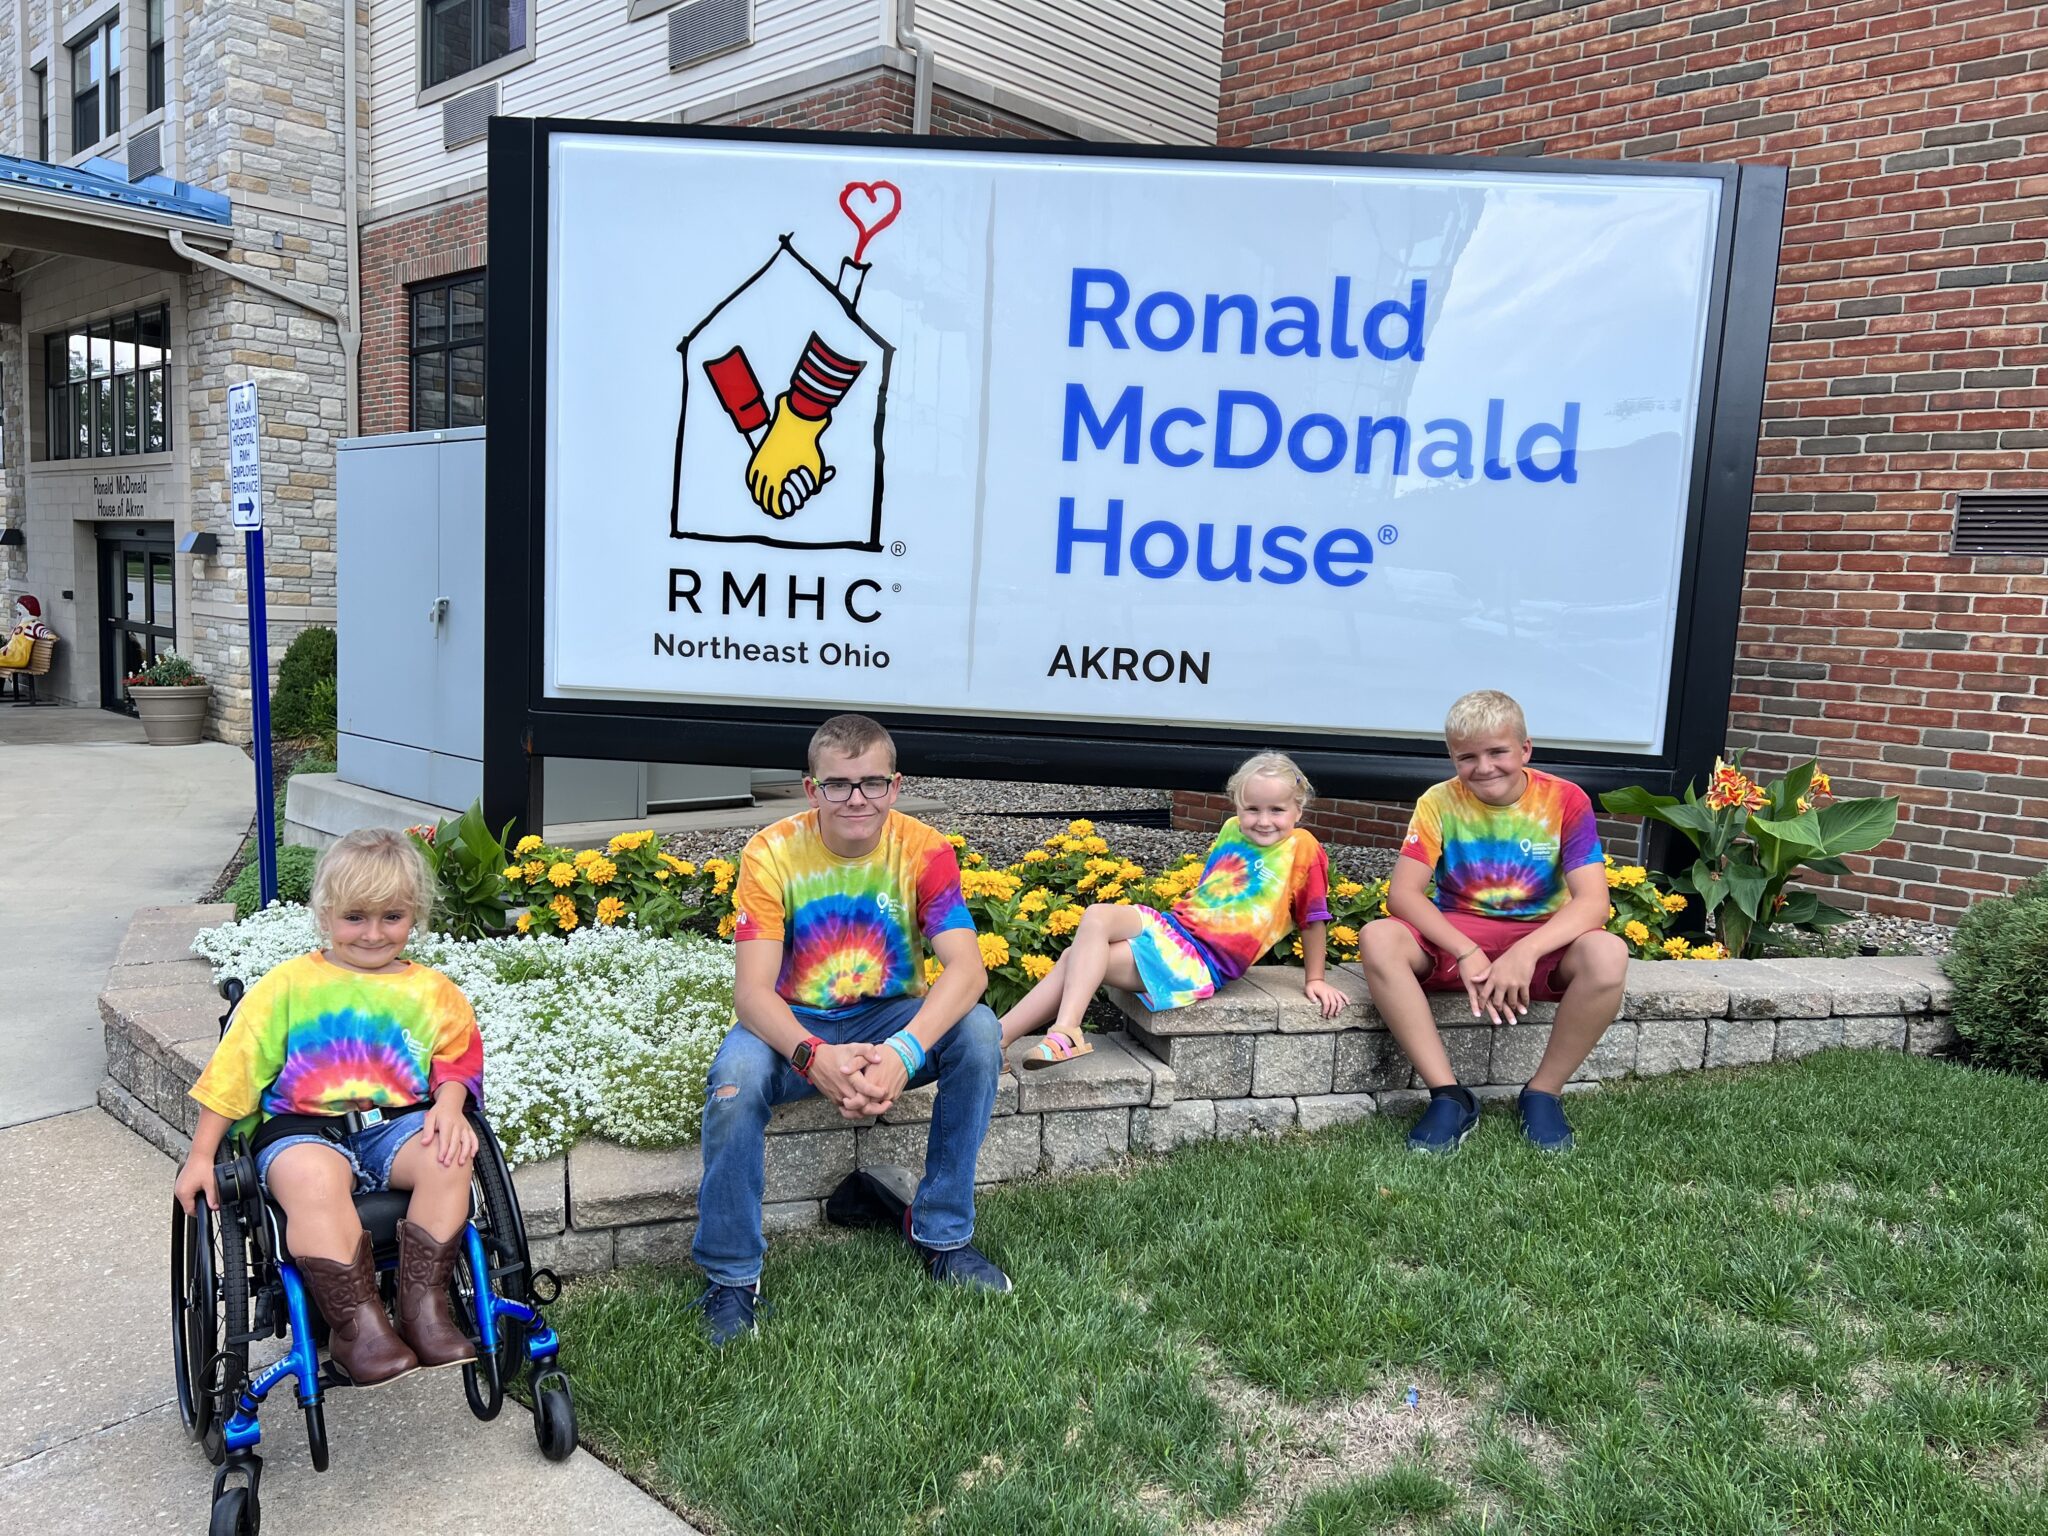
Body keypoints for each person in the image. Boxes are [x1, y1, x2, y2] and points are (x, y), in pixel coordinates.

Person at [691, 713, 1008, 1347]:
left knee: (977, 1033)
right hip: (795, 1021)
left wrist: (903, 1051)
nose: (856, 798)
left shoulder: (924, 850)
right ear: (812, 790)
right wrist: (814, 1057)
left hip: (889, 1015)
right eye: (839, 784)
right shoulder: (773, 852)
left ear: (896, 786)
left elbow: (968, 971)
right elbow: (751, 996)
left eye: (871, 783)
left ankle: (943, 1234)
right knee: (735, 1082)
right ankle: (731, 1278)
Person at [174, 828, 484, 1385]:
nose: (372, 933)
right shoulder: (289, 985)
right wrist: (202, 1156)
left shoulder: (434, 992)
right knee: (313, 1179)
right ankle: (356, 1329)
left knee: (450, 1157)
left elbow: (457, 1056)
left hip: (395, 1126)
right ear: (325, 915)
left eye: (391, 917)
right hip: (301, 1129)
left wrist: (452, 1103)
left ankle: (423, 1309)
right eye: (355, 917)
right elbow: (234, 1073)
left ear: (414, 915)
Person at [1359, 689, 1627, 1154]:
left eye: (1497, 752)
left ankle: (1543, 1093)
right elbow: (1402, 895)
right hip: (1459, 935)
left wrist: (1525, 952)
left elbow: (1593, 905)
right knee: (1378, 938)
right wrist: (1465, 950)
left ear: (1525, 748)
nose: (1484, 768)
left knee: (1608, 952)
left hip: (1541, 939)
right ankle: (1449, 1096)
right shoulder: (1438, 802)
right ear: (1452, 758)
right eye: (1467, 757)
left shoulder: (1566, 799)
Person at [998, 751, 1346, 1068]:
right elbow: (1209, 894)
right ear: (1238, 807)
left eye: (1277, 810)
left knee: (1077, 956)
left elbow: (1312, 919)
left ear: (1298, 810)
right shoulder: (1231, 830)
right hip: (1172, 928)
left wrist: (1315, 979)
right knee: (1096, 916)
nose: (1263, 820)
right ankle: (1030, 1036)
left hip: (1199, 962)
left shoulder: (1303, 849)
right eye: (1252, 809)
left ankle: (1018, 1037)